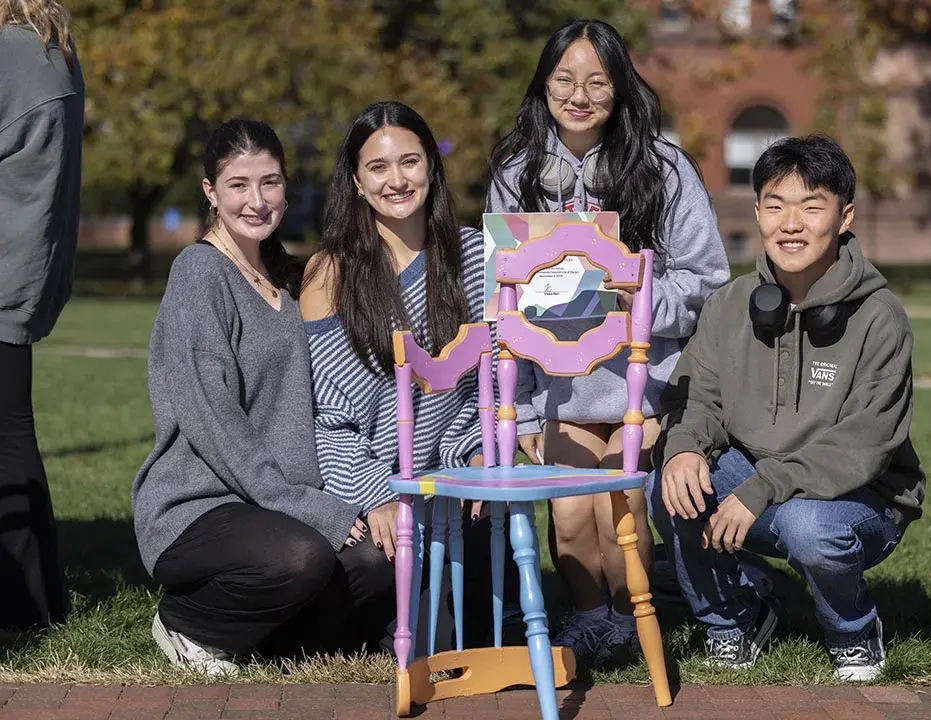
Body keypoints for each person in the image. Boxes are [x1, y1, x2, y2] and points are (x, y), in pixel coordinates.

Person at [486, 19, 729, 666]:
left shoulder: (664, 168)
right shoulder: (517, 177)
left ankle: (631, 618)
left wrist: (636, 296)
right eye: (564, 79)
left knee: (619, 503)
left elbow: (706, 283)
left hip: (642, 389)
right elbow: (509, 309)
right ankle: (593, 620)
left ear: (621, 90)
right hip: (557, 390)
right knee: (569, 514)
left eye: (598, 80)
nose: (580, 94)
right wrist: (531, 411)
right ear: (542, 87)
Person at [648, 135, 926, 682]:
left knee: (808, 527)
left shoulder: (881, 317)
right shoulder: (729, 305)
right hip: (758, 481)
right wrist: (682, 449)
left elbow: (863, 444)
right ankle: (732, 621)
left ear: (844, 217)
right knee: (667, 484)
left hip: (860, 499)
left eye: (811, 206)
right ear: (757, 213)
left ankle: (853, 633)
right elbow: (695, 395)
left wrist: (759, 490)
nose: (790, 224)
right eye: (775, 206)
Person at [132, 119, 378, 676]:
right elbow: (211, 419)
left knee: (375, 564)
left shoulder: (287, 277)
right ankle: (189, 625)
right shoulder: (199, 274)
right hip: (201, 502)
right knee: (301, 557)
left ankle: (270, 641)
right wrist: (303, 505)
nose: (257, 200)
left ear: (286, 186)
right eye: (238, 185)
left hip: (278, 500)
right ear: (210, 193)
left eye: (269, 183)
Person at [301, 101, 515, 650]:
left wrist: (471, 456)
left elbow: (480, 388)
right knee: (378, 568)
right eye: (378, 167)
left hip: (441, 477)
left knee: (492, 592)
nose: (396, 180)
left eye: (410, 162)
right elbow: (326, 417)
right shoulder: (332, 271)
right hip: (363, 479)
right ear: (356, 181)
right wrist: (374, 495)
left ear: (432, 169)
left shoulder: (473, 256)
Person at [0, 0, 83, 634]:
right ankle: (38, 598)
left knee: (7, 440)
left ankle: (25, 604)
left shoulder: (7, 54)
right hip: (24, 271)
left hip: (6, 262)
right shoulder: (53, 53)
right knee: (11, 434)